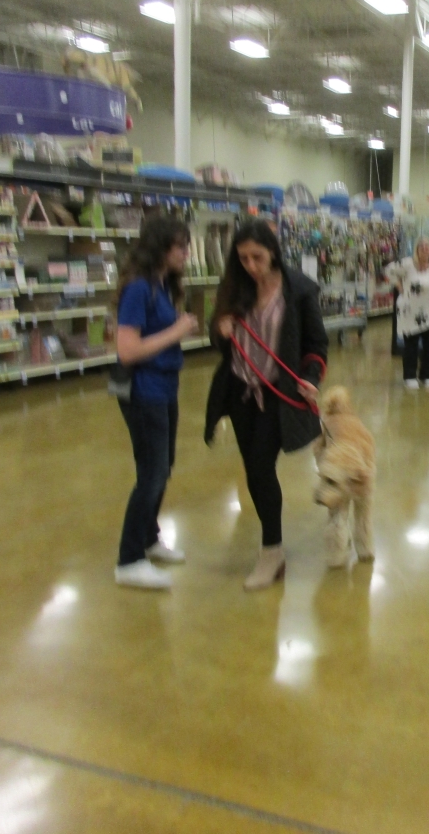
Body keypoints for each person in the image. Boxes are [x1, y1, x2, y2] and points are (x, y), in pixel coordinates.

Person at [205, 220, 329, 590]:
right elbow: (219, 339)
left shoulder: (300, 290)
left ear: (273, 251)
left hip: (277, 396)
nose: (251, 265)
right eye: (243, 258)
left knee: (260, 467)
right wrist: (220, 330)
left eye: (257, 257)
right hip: (240, 393)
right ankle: (272, 550)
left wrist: (311, 376)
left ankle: (271, 552)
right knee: (254, 471)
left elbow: (316, 343)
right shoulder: (234, 286)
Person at [113, 215, 200, 590]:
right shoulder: (139, 288)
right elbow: (127, 350)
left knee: (162, 468)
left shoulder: (161, 286)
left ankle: (148, 538)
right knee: (152, 473)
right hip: (144, 391)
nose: (186, 253)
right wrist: (176, 331)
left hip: (164, 388)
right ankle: (129, 560)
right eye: (180, 246)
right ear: (160, 248)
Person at [386, 236, 429, 390]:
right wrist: (399, 286)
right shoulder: (408, 263)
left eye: (427, 246)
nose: (425, 249)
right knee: (411, 345)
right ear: (416, 249)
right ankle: (409, 376)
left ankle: (426, 375)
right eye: (421, 246)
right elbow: (389, 270)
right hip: (411, 312)